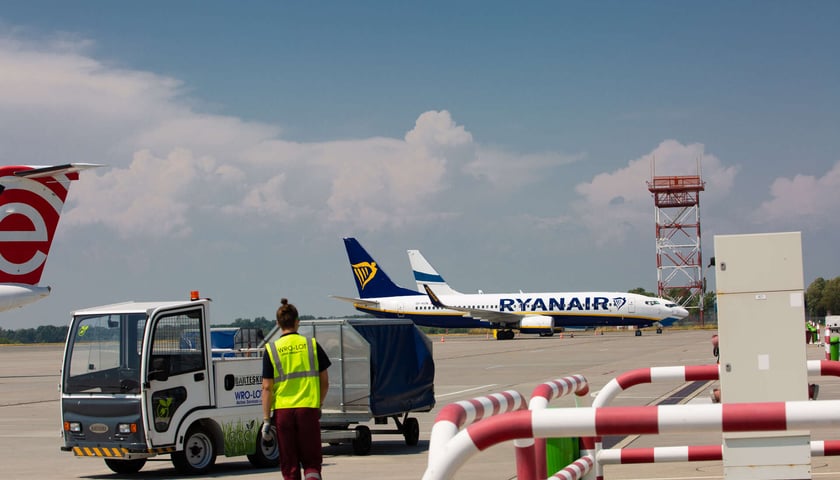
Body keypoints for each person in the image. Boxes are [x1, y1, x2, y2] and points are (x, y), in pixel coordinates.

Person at [262, 298, 331, 480]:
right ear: (297, 322)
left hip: (283, 413)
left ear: (278, 324)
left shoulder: (271, 350)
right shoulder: (312, 345)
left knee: (290, 465)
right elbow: (325, 381)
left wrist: (266, 419)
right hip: (307, 410)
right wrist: (319, 403)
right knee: (311, 463)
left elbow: (267, 387)